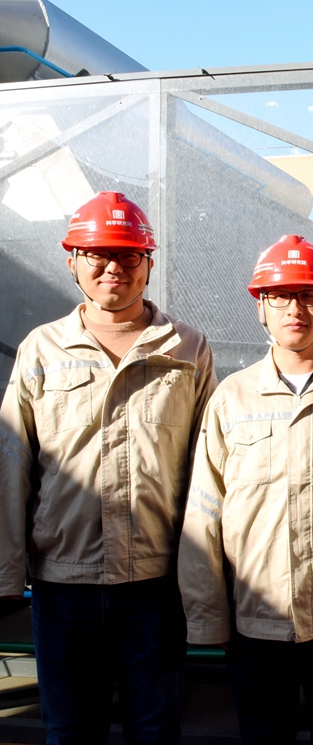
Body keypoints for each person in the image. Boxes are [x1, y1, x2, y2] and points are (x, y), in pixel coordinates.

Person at [0, 191, 216, 744]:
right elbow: (12, 463)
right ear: (72, 261)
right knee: (71, 732)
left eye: (128, 255)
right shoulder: (42, 349)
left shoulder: (187, 348)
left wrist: (205, 578)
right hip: (62, 585)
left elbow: (209, 469)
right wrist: (6, 573)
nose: (113, 267)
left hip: (155, 586)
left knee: (155, 731)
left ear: (149, 263)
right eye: (97, 254)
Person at [177, 235, 313, 744]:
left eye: (309, 295)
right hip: (255, 625)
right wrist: (211, 619)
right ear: (260, 307)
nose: (295, 309)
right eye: (279, 296)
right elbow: (203, 513)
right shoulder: (231, 399)